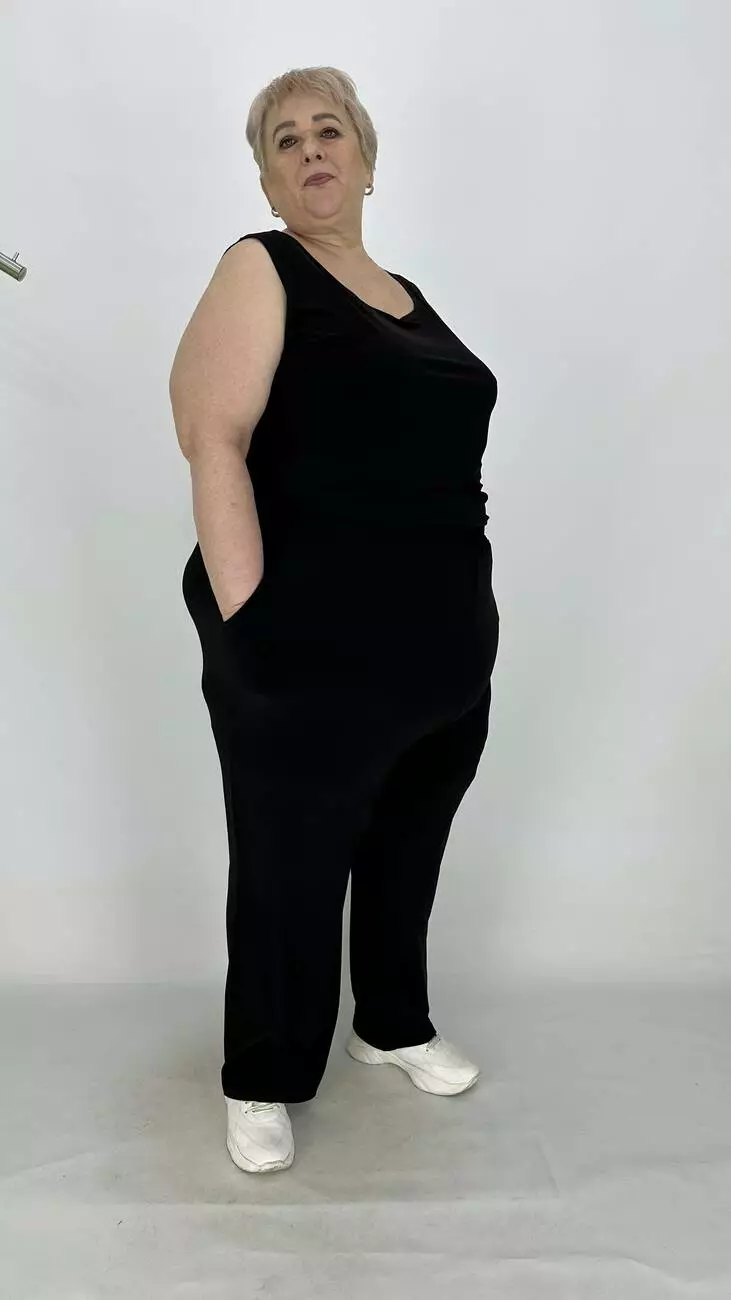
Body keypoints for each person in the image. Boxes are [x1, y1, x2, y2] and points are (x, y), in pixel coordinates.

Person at [168, 66, 500, 1175]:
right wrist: (250, 625)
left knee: (408, 840)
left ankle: (390, 1021)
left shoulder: (408, 294)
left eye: (328, 131)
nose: (310, 149)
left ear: (365, 157)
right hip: (306, 634)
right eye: (284, 139)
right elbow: (212, 439)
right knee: (289, 856)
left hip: (441, 642)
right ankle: (264, 1070)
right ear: (267, 179)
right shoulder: (260, 267)